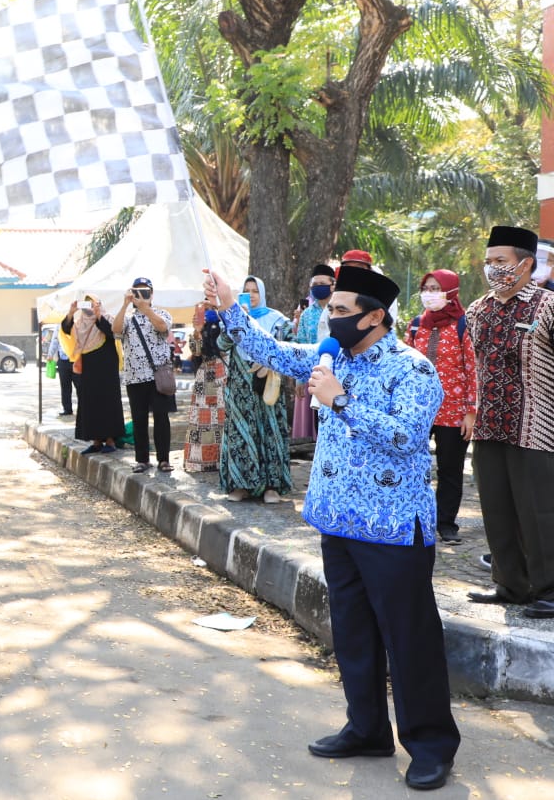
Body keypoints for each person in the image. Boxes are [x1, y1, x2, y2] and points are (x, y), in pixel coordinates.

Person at [204, 265, 460, 792]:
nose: (330, 316)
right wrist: (230, 304)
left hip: (391, 529)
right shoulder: (331, 355)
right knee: (353, 634)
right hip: (338, 522)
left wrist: (342, 401)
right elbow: (273, 351)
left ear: (374, 316)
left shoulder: (411, 369)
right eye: (330, 307)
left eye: (341, 310)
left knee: (409, 640)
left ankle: (431, 744)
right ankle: (366, 728)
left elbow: (407, 438)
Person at [465, 225, 554, 619]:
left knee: (539, 512)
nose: (493, 269)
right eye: (489, 263)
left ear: (526, 264)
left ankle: (548, 589)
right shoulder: (477, 310)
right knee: (497, 508)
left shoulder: (547, 307)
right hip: (488, 426)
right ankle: (510, 584)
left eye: (501, 262)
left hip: (535, 426)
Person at [406, 270, 475, 546]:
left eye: (436, 288)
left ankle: (446, 523)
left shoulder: (463, 325)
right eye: (426, 287)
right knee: (412, 465)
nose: (430, 293)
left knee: (450, 470)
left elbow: (473, 369)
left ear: (451, 292)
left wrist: (471, 411)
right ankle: (415, 520)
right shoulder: (415, 325)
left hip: (454, 412)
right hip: (419, 410)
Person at [218, 276, 293, 503]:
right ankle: (241, 484)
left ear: (262, 293)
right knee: (240, 432)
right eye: (246, 290)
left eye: (254, 291)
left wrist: (269, 358)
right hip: (240, 383)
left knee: (270, 431)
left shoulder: (277, 319)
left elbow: (289, 343)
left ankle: (272, 486)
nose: (250, 295)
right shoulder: (232, 317)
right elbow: (221, 345)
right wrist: (235, 320)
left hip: (267, 382)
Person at [113, 277, 175, 472]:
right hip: (134, 377)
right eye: (137, 291)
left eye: (145, 291)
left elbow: (162, 327)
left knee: (161, 418)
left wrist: (146, 308)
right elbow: (115, 330)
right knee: (139, 419)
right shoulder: (128, 317)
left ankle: (163, 459)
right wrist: (125, 305)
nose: (141, 294)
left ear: (152, 294)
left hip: (157, 376)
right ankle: (142, 459)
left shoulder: (162, 313)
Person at [62, 295, 125, 454]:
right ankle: (96, 441)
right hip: (89, 370)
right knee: (90, 403)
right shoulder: (80, 323)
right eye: (86, 305)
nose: (88, 308)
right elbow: (65, 329)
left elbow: (113, 334)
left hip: (107, 370)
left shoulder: (108, 318)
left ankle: (110, 441)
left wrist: (98, 316)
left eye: (92, 304)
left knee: (107, 403)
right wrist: (71, 312)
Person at [291, 264, 335, 442]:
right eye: (314, 284)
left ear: (333, 285)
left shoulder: (339, 310)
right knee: (319, 422)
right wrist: (300, 379)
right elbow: (301, 346)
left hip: (338, 376)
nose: (318, 287)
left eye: (322, 283)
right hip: (316, 376)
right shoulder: (307, 314)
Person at [183, 305, 227, 473]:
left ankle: (224, 459)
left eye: (212, 305)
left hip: (224, 371)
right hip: (205, 372)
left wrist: (220, 319)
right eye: (205, 306)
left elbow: (226, 347)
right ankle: (205, 461)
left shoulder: (227, 320)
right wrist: (198, 330)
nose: (209, 309)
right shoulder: (199, 325)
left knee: (224, 416)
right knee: (203, 418)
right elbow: (196, 351)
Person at [46, 327, 77, 417]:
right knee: (65, 386)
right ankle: (67, 409)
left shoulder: (77, 322)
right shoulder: (59, 325)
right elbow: (55, 341)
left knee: (80, 386)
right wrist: (50, 354)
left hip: (76, 359)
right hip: (63, 360)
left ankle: (84, 408)